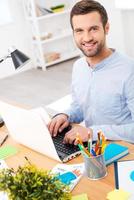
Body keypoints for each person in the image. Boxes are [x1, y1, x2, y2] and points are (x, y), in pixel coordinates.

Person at [48, 0, 134, 144]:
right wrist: (65, 115)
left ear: (106, 28)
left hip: (124, 150)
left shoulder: (129, 70)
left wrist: (93, 132)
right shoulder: (78, 67)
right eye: (79, 30)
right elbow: (81, 106)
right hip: (91, 148)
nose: (87, 38)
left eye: (93, 29)